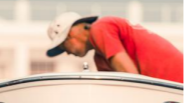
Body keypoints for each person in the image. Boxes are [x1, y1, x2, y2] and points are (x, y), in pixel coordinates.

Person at [45, 12, 183, 83]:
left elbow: (132, 80)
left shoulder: (100, 27)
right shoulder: (100, 58)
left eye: (64, 46)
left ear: (71, 33)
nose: (67, 53)